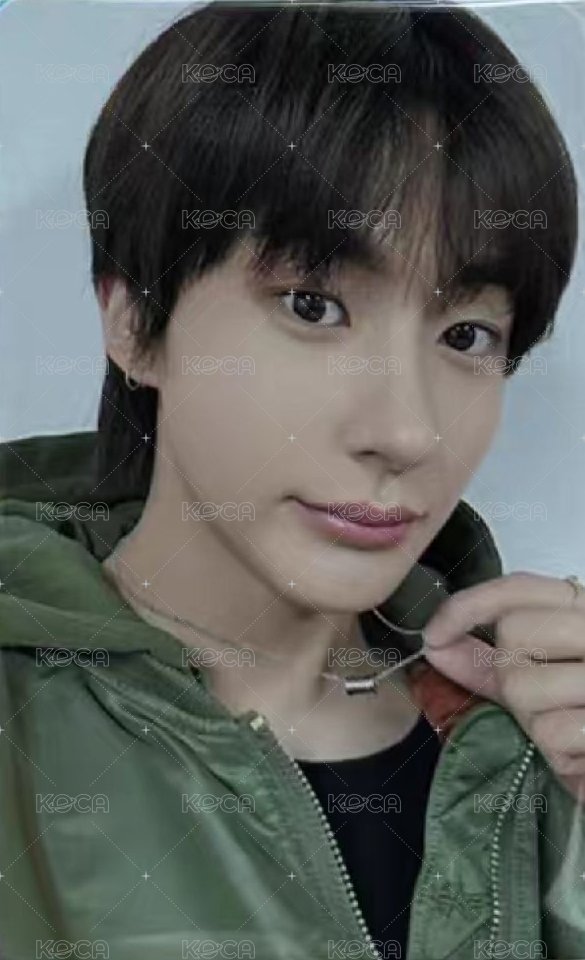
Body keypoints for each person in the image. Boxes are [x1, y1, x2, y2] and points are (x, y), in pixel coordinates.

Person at [0, 2, 584, 958]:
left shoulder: (539, 736)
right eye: (313, 306)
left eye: (465, 334)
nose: (405, 431)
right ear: (135, 324)